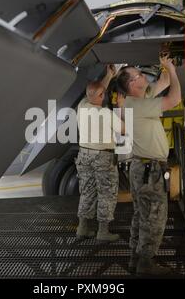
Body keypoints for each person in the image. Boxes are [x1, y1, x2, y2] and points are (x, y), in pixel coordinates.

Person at [117, 56, 181, 276]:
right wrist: (172, 69)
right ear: (133, 84)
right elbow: (174, 99)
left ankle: (136, 260)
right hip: (149, 170)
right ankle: (146, 264)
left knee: (141, 215)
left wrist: (167, 64)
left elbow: (162, 83)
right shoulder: (142, 105)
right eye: (140, 75)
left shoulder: (135, 101)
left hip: (141, 168)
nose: (144, 76)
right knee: (155, 218)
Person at [75, 65, 125, 243]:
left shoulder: (82, 106)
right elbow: (125, 130)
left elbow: (96, 91)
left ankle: (82, 229)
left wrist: (108, 75)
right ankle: (103, 232)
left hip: (84, 156)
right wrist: (121, 107)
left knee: (87, 191)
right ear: (101, 96)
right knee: (107, 193)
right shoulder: (106, 113)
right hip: (103, 157)